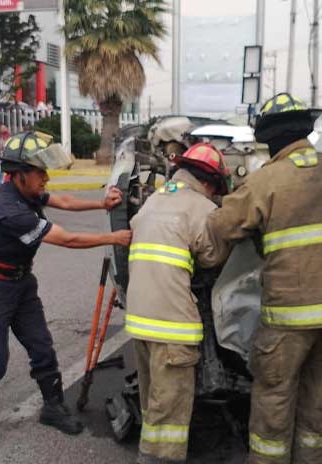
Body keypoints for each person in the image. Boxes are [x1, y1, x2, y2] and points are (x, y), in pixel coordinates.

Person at [202, 93, 322, 463]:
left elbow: (222, 227)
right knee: (319, 400)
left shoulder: (267, 181)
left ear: (267, 138)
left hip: (291, 316)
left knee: (274, 400)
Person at [0, 131, 132, 445]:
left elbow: (64, 201)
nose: (46, 177)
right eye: (40, 172)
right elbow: (67, 239)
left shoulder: (25, 191)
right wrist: (114, 238)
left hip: (21, 283)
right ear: (19, 174)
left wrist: (102, 204)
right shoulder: (9, 210)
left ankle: (52, 407)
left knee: (42, 347)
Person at [125, 143, 232, 464]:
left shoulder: (154, 200)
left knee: (153, 404)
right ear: (211, 184)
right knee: (170, 415)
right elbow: (212, 257)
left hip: (140, 321)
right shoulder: (201, 208)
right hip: (173, 326)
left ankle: (150, 449)